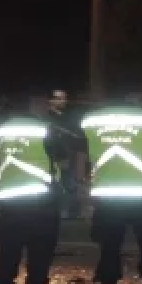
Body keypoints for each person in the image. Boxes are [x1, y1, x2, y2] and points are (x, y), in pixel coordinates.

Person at [82, 99, 142, 284]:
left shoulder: (91, 121)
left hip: (108, 194)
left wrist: (84, 189)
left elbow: (82, 156)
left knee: (109, 246)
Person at [0, 113, 65, 284]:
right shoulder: (45, 131)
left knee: (9, 248)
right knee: (40, 247)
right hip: (40, 199)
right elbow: (60, 156)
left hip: (9, 199)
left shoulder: (0, 133)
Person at [46, 88, 87, 219]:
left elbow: (77, 138)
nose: (63, 101)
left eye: (64, 98)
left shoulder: (67, 118)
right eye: (59, 98)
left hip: (70, 156)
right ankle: (64, 213)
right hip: (56, 157)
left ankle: (71, 213)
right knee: (63, 185)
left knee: (70, 185)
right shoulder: (48, 119)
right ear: (51, 100)